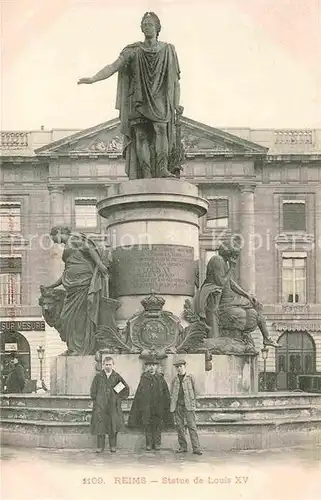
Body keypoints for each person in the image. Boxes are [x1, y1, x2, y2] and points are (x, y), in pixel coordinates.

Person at [78, 12, 183, 179]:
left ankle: (162, 169)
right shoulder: (133, 50)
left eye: (150, 24)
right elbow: (113, 66)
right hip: (138, 99)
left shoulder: (168, 50)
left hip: (160, 100)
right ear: (141, 28)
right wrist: (93, 79)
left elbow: (175, 80)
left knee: (161, 129)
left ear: (157, 28)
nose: (147, 27)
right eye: (145, 24)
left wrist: (176, 103)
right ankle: (147, 173)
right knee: (140, 135)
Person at [196, 242, 278, 347]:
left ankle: (267, 338)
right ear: (228, 253)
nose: (235, 258)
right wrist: (232, 268)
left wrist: (247, 295)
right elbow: (222, 282)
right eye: (234, 255)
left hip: (229, 299)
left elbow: (231, 283)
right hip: (219, 299)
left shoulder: (223, 262)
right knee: (255, 309)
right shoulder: (217, 260)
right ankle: (266, 338)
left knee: (257, 305)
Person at [44, 226, 109, 355]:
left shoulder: (74, 239)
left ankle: (78, 348)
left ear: (58, 232)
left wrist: (99, 264)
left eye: (53, 238)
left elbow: (88, 248)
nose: (54, 242)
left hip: (83, 283)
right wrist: (51, 286)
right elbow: (66, 273)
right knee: (66, 317)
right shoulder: (68, 246)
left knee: (79, 317)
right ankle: (74, 347)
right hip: (73, 287)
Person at [128, 357, 173, 451]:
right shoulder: (144, 379)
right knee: (147, 425)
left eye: (154, 365)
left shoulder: (160, 379)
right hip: (147, 406)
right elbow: (139, 394)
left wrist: (166, 406)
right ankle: (148, 443)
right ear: (147, 367)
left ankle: (157, 443)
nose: (152, 367)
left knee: (157, 426)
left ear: (157, 367)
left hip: (158, 406)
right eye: (150, 365)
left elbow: (166, 394)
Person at [90, 356, 129, 453]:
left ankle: (113, 446)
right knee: (100, 427)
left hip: (113, 406)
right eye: (106, 364)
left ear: (113, 365)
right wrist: (97, 399)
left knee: (113, 426)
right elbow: (93, 391)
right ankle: (100, 447)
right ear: (103, 365)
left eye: (110, 365)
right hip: (101, 406)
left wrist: (117, 397)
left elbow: (125, 388)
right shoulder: (98, 377)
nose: (108, 366)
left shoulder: (116, 377)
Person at [170, 359, 202, 455]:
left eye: (181, 366)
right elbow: (171, 392)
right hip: (178, 406)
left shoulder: (190, 378)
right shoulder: (174, 380)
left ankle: (196, 448)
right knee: (180, 427)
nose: (179, 369)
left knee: (192, 426)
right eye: (177, 367)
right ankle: (183, 447)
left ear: (184, 366)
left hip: (188, 406)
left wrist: (194, 402)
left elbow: (196, 391)